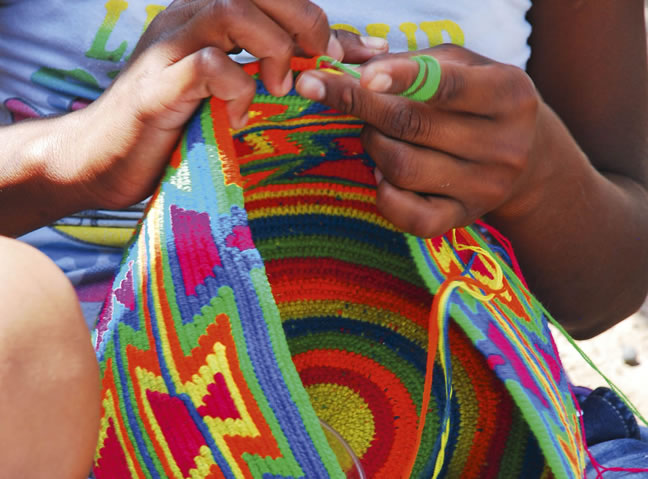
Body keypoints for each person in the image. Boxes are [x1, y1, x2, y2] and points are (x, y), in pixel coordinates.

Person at [1, 0, 647, 477]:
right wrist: (70, 152)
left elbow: (608, 286)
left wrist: (537, 176)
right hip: (65, 411)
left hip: (452, 435)